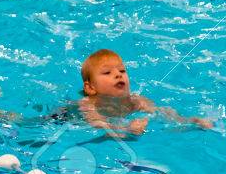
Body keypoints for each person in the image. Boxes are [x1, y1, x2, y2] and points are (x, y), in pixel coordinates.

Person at [79, 49, 213, 136]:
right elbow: (97, 125)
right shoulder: (89, 105)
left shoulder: (136, 101)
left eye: (122, 71)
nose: (118, 75)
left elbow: (162, 114)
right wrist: (126, 129)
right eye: (107, 72)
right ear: (90, 88)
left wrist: (189, 121)